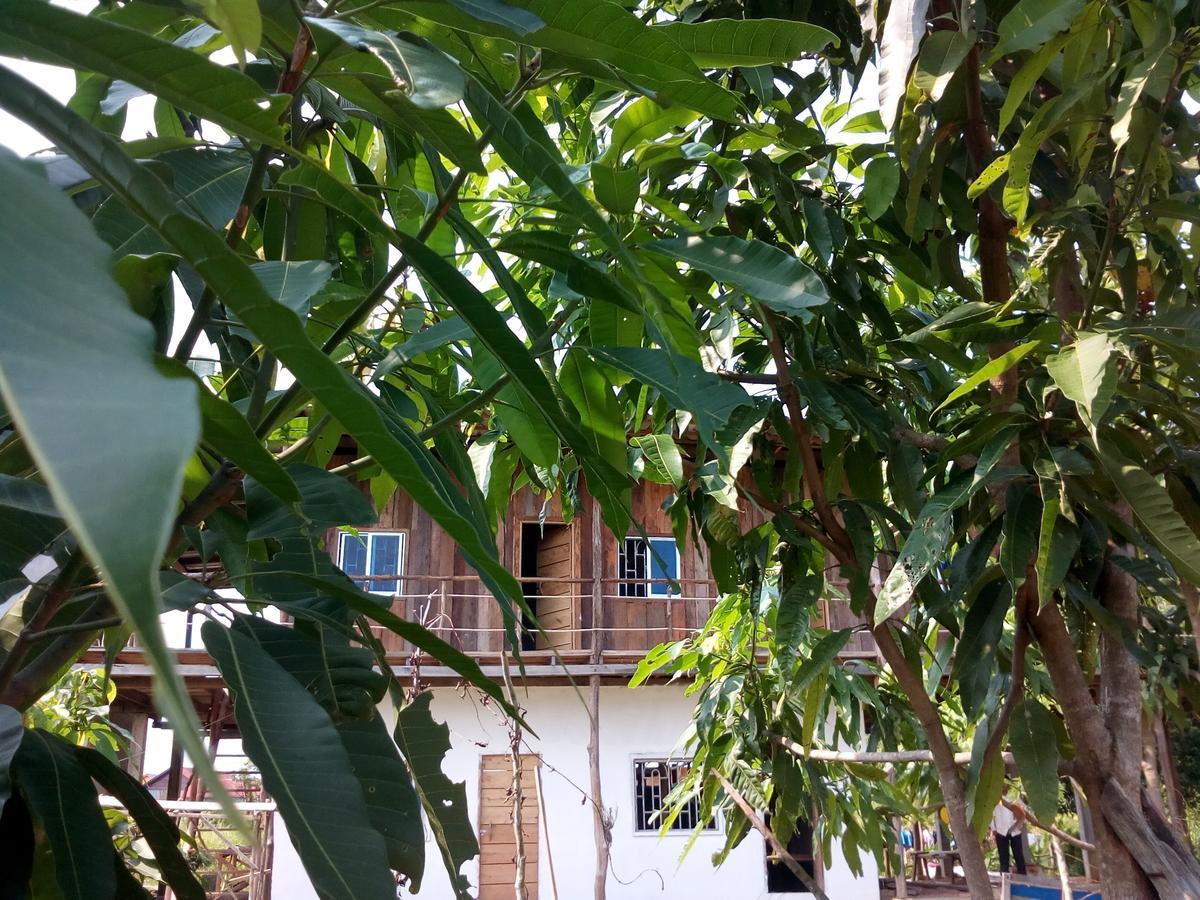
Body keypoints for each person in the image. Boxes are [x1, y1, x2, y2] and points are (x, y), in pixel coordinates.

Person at [990, 797, 1027, 875]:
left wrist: (1019, 825)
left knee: (1019, 855)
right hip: (1001, 830)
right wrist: (993, 828)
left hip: (1015, 830)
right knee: (1003, 857)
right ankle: (1004, 877)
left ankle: (1022, 877)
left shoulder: (1015, 797)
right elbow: (990, 813)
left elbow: (1023, 812)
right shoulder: (995, 797)